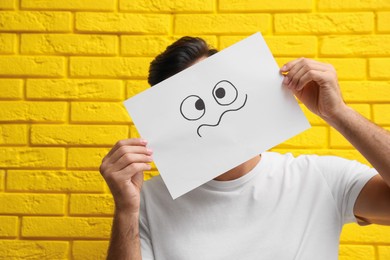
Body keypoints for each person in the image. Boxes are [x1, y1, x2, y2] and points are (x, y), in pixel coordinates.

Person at [100, 37, 390, 260]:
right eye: (192, 105)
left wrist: (338, 112)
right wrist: (126, 209)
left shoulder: (321, 178)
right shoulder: (147, 201)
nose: (213, 114)